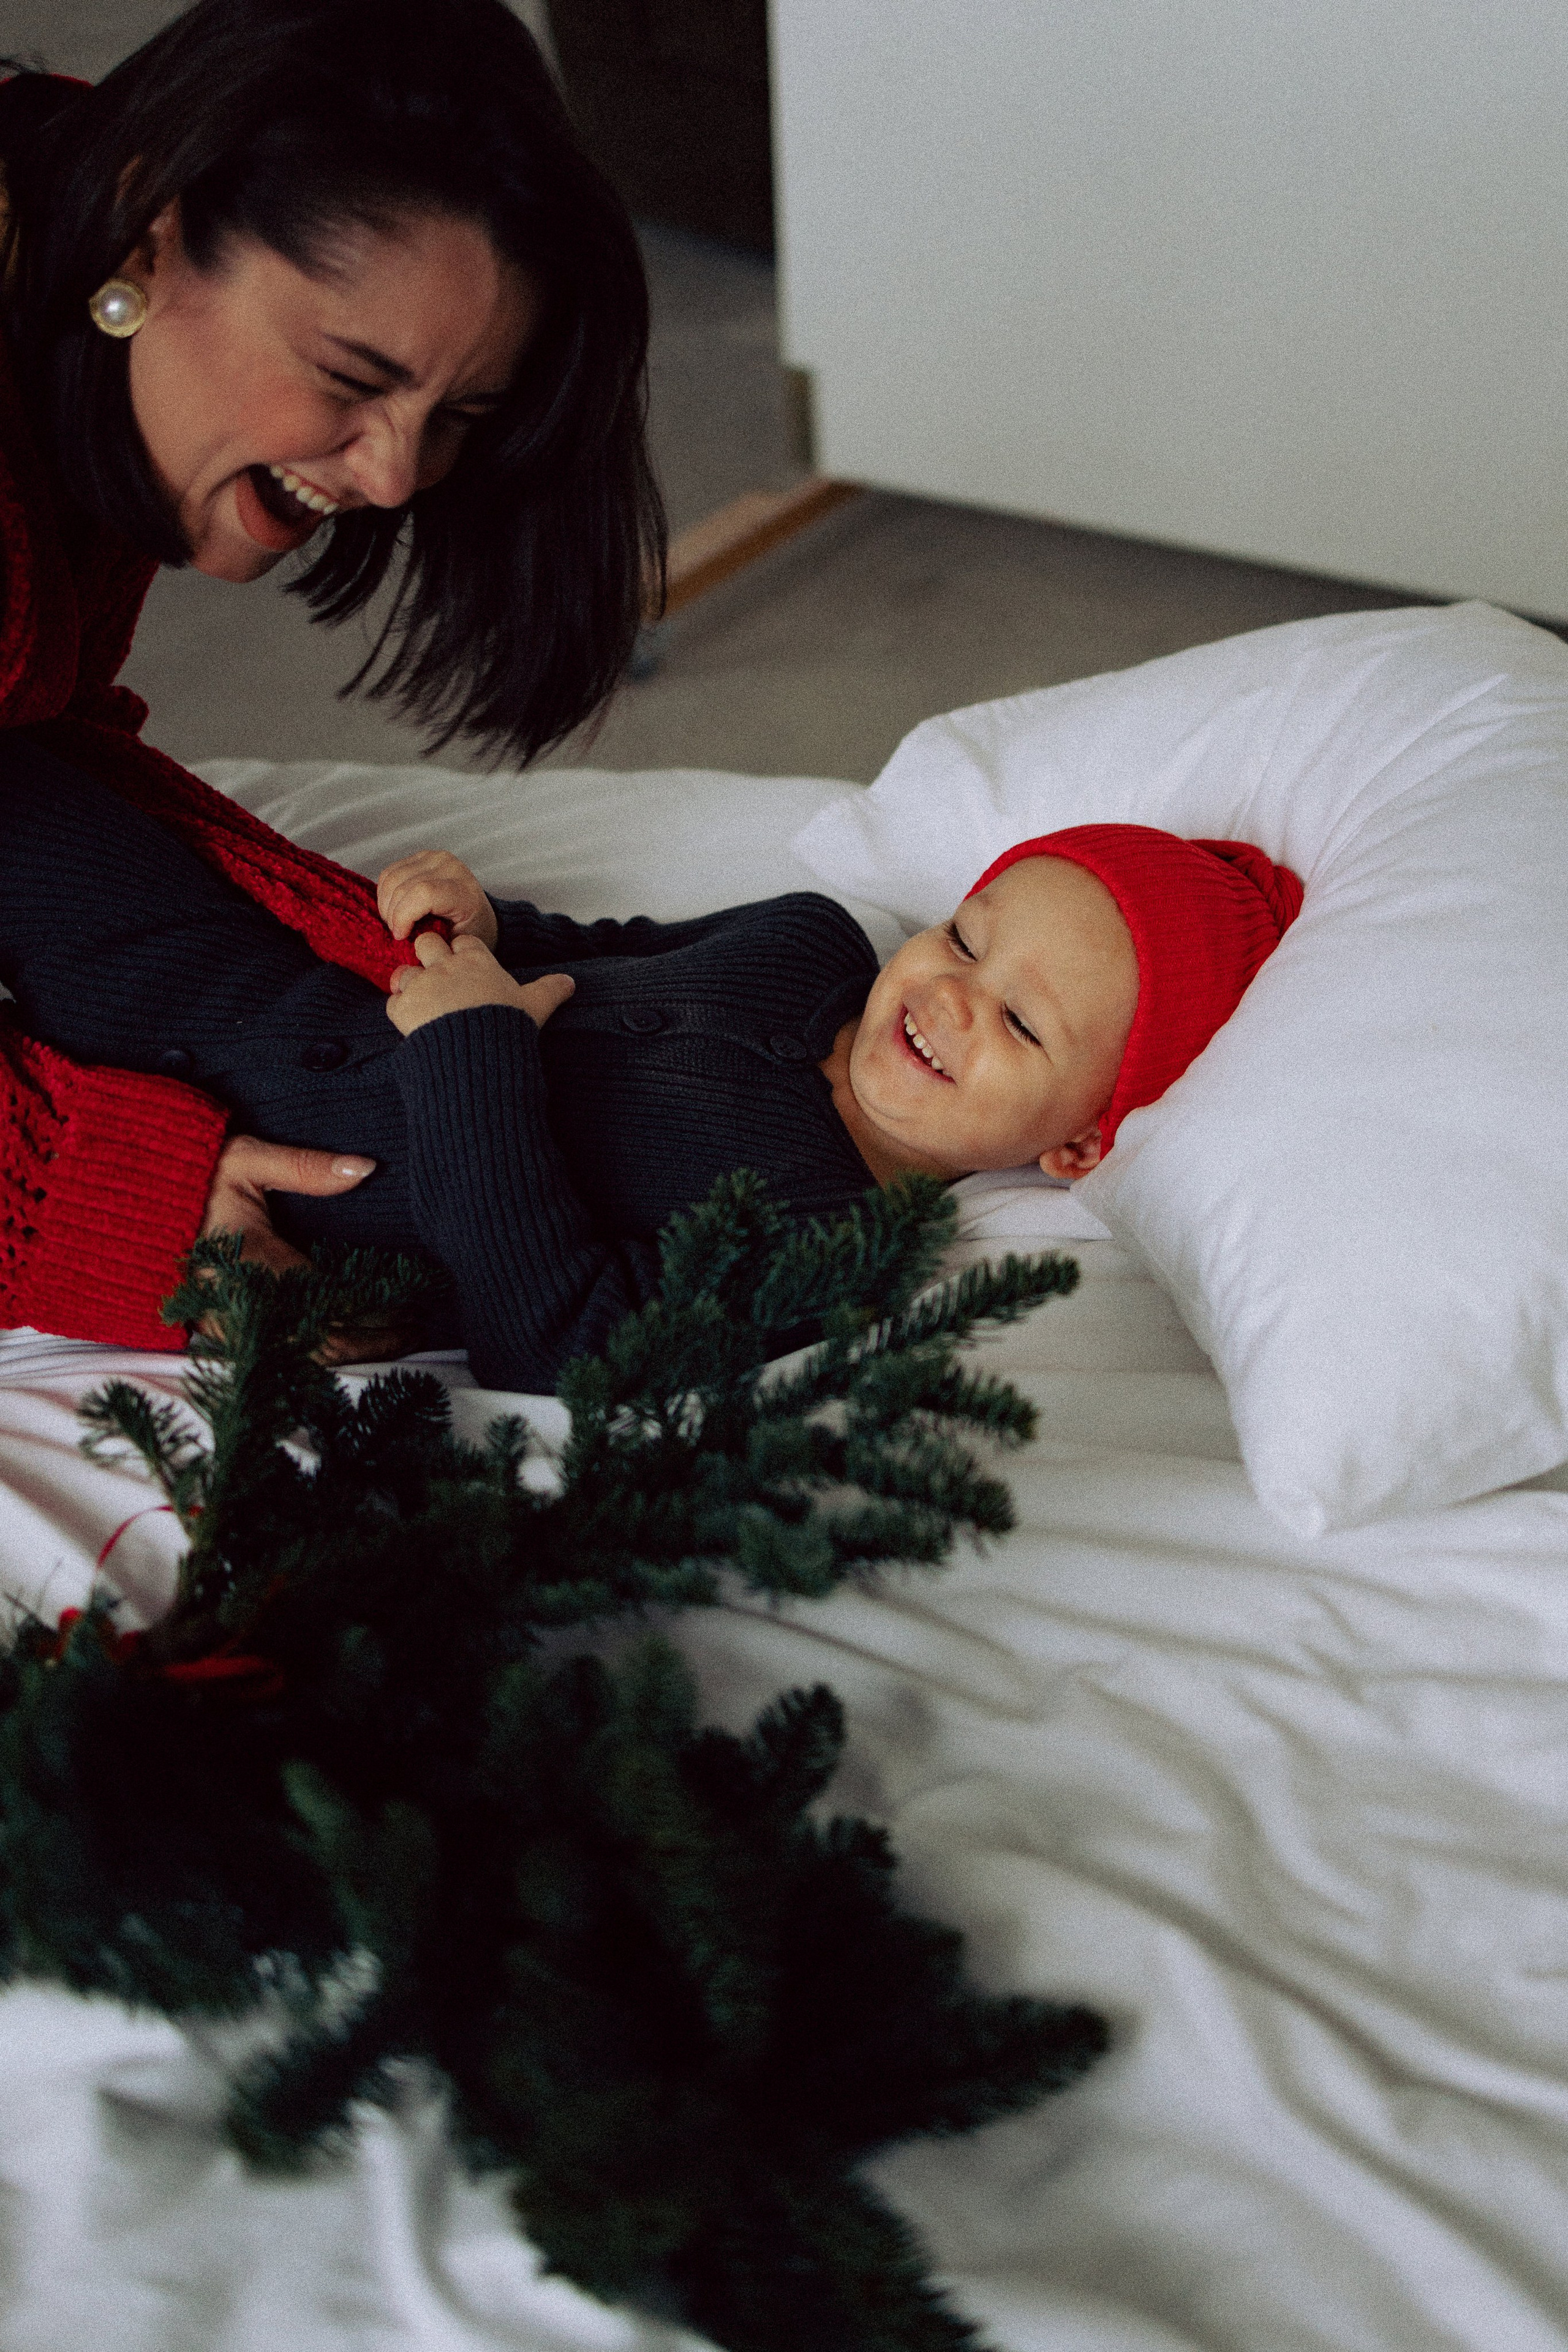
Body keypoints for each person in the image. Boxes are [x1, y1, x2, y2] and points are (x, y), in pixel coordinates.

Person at [0, 0, 663, 1360]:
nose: (396, 476)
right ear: (147, 233)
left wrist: (340, 931)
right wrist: (68, 1195)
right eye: (349, 377)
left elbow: (31, 740)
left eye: (456, 416)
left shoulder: (70, 354)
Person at [0, 732, 1302, 1390]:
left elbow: (554, 1338)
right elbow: (601, 956)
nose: (953, 997)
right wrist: (486, 925)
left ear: (1077, 1146)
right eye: (966, 936)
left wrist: (471, 1058)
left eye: (1021, 1026)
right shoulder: (805, 943)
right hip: (235, 979)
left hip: (247, 1199)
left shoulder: (821, 1246)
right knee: (32, 785)